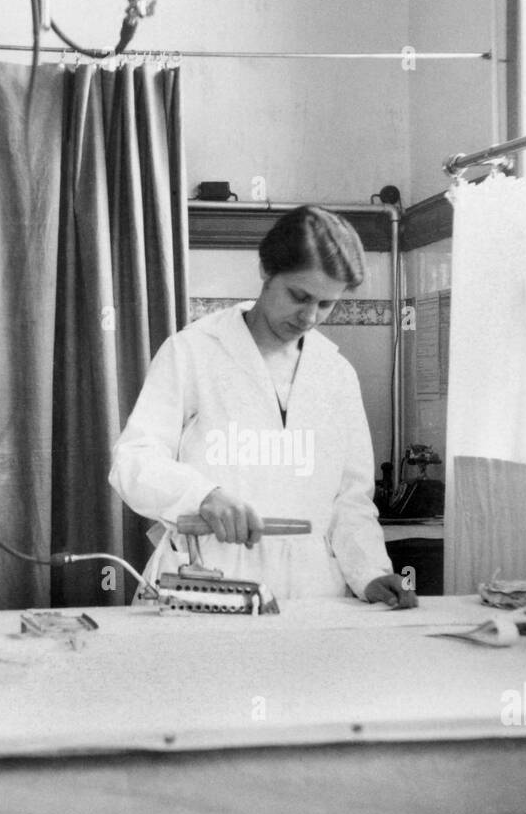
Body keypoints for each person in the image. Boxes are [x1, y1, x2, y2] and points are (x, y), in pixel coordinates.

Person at [109, 205, 417, 610]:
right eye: (299, 296)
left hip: (313, 588)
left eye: (326, 305)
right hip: (208, 578)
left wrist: (370, 572)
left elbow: (351, 500)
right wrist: (203, 496)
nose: (309, 316)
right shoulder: (193, 352)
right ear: (265, 270)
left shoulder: (336, 374)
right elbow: (133, 461)